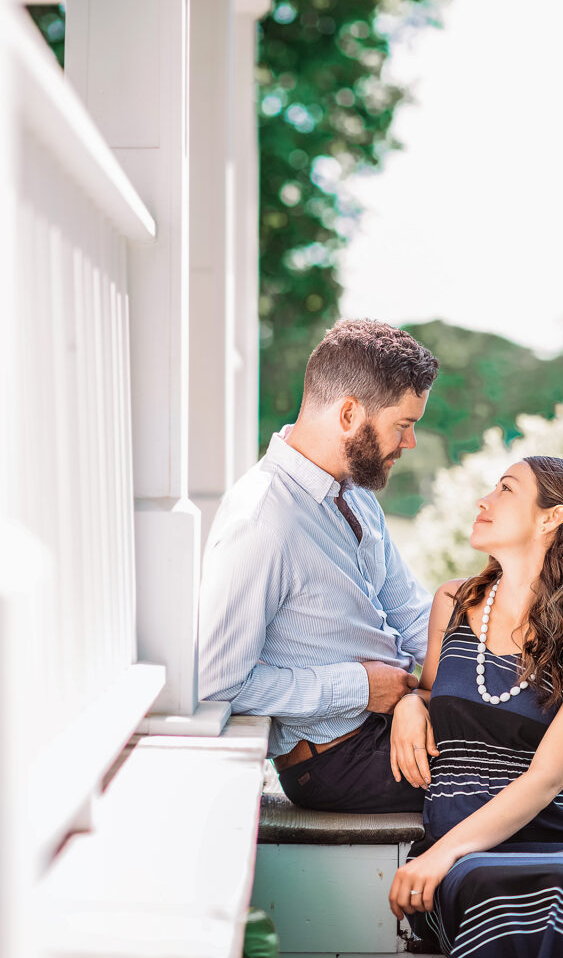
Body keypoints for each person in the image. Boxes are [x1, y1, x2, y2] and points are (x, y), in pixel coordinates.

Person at [198, 318, 439, 812]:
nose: (409, 443)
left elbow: (414, 617)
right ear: (349, 413)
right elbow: (216, 683)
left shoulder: (354, 492)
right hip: (336, 761)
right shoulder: (263, 519)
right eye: (404, 425)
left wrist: (502, 668)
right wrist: (359, 688)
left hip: (393, 723)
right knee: (542, 768)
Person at [388, 456, 563, 957]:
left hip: (561, 846)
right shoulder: (453, 603)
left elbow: (547, 779)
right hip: (464, 847)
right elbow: (435, 691)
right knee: (492, 896)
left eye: (506, 489)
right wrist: (409, 704)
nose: (483, 499)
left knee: (551, 896)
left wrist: (438, 857)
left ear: (550, 518)